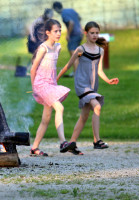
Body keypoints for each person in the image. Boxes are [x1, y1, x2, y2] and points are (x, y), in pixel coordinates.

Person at [57, 21, 119, 155]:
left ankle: (72, 143)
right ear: (86, 33)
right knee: (97, 106)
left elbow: (99, 71)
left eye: (97, 33)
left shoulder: (100, 50)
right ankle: (97, 141)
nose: (95, 35)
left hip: (92, 87)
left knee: (84, 115)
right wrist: (56, 79)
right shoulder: (81, 50)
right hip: (81, 84)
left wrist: (108, 80)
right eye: (92, 33)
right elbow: (68, 66)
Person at [30, 19, 76, 156]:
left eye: (60, 30)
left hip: (50, 85)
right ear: (48, 32)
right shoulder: (43, 48)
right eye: (56, 31)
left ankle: (34, 148)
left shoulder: (58, 47)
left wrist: (54, 80)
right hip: (41, 85)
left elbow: (52, 68)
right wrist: (35, 88)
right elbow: (33, 70)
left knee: (46, 118)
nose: (59, 33)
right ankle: (63, 142)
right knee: (59, 108)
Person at [53, 1, 83, 77]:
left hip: (74, 35)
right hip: (80, 34)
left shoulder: (63, 14)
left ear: (56, 8)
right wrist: (80, 28)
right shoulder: (70, 10)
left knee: (74, 55)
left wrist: (68, 35)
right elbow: (79, 18)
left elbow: (71, 23)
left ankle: (77, 74)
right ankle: (76, 72)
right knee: (78, 54)